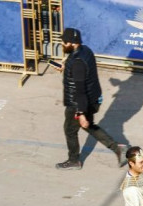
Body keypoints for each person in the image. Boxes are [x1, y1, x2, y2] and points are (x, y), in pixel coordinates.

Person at [55, 27, 125, 171]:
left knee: (70, 130)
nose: (62, 44)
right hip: (93, 98)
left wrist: (80, 113)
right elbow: (78, 68)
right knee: (88, 125)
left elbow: (79, 90)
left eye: (64, 42)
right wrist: (66, 66)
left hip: (79, 102)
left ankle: (74, 160)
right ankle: (118, 149)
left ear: (71, 43)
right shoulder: (85, 50)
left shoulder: (77, 63)